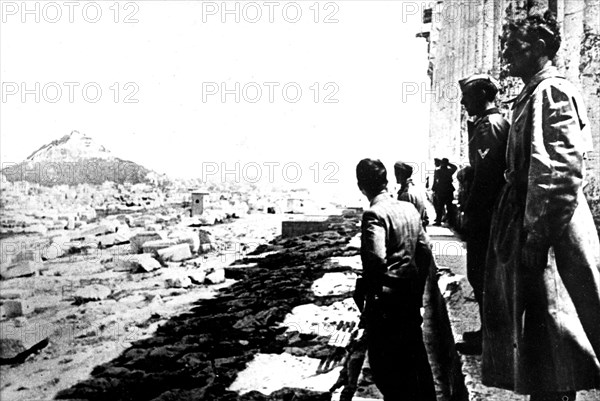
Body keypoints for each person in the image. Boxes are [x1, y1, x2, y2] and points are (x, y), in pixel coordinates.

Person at [483, 11, 600, 401]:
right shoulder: (534, 92)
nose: (505, 55)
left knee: (555, 327)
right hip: (534, 221)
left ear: (538, 48)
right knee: (541, 334)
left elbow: (559, 171)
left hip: (550, 229)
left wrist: (537, 235)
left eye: (512, 47)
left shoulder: (551, 91)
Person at [356, 158, 436, 401]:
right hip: (409, 298)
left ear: (361, 186)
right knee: (416, 361)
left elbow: (376, 261)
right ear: (386, 181)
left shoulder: (373, 214)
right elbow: (425, 251)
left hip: (386, 304)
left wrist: (371, 298)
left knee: (386, 370)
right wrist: (417, 289)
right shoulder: (408, 209)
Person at [456, 74, 510, 354]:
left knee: (481, 275)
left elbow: (486, 177)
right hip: (493, 212)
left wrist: (469, 211)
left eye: (467, 96)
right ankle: (489, 334)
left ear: (480, 96)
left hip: (486, 215)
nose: (463, 102)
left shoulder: (489, 126)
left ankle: (490, 338)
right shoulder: (493, 124)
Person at [394, 161, 430, 229]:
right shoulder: (416, 189)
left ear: (401, 175)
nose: (395, 176)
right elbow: (425, 217)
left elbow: (403, 220)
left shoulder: (406, 194)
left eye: (397, 173)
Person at [431, 158, 457, 226]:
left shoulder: (438, 171)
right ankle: (450, 222)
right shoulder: (449, 171)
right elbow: (455, 167)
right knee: (449, 206)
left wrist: (434, 188)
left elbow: (435, 180)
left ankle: (438, 221)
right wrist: (448, 163)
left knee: (440, 206)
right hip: (449, 189)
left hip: (441, 189)